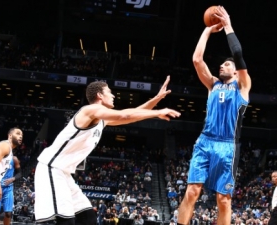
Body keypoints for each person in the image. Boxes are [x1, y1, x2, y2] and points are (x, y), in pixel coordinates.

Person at [34, 76, 180, 225]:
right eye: (109, 92)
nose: (113, 95)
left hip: (64, 173)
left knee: (88, 218)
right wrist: (158, 112)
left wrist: (156, 98)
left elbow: (134, 114)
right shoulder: (90, 110)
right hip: (52, 168)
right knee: (66, 221)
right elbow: (125, 114)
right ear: (99, 95)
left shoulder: (102, 119)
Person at [177, 6, 251, 225]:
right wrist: (208, 30)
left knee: (223, 200)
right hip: (205, 141)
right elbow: (197, 60)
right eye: (222, 63)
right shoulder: (213, 84)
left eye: (226, 64)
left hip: (227, 146)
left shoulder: (243, 86)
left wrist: (227, 25)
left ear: (236, 71)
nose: (222, 65)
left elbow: (237, 54)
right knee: (191, 192)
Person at [0, 156, 22, 225]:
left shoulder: (14, 159)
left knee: (8, 213)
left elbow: (19, 173)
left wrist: (13, 179)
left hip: (8, 189)